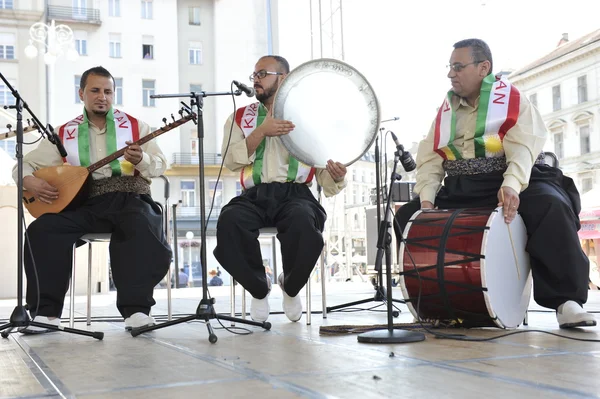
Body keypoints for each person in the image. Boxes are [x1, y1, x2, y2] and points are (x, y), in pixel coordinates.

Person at [394, 39, 596, 329]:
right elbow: (429, 158)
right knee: (408, 216)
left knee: (551, 205)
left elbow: (523, 148)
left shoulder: (512, 100)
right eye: (450, 67)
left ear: (483, 67)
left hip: (510, 178)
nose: (451, 74)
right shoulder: (446, 110)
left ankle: (566, 301)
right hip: (462, 186)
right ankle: (436, 298)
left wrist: (512, 184)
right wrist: (426, 199)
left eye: (458, 67)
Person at [13, 66, 171, 333]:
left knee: (141, 224)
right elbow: (24, 165)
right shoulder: (64, 133)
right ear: (82, 94)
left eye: (108, 91)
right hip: (87, 203)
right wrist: (30, 181)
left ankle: (136, 311)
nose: (102, 97)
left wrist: (141, 159)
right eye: (95, 90)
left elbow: (161, 165)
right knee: (42, 230)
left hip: (130, 198)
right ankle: (46, 314)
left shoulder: (135, 126)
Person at [213, 55, 347, 323]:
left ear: (283, 78)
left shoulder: (309, 117)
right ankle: (258, 288)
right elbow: (229, 160)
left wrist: (337, 175)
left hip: (295, 194)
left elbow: (324, 170)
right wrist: (260, 131)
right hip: (254, 194)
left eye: (262, 73)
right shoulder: (241, 117)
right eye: (254, 75)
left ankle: (291, 285)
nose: (256, 80)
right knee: (230, 221)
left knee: (304, 223)